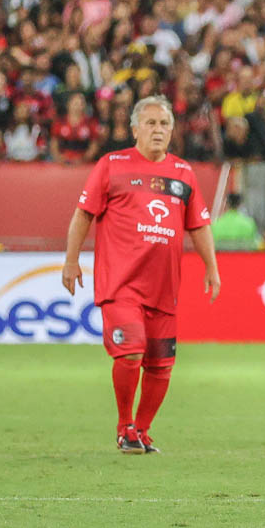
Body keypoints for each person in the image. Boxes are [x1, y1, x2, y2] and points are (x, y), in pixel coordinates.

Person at [61, 96, 221, 454]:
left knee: (161, 365)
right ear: (135, 129)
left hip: (164, 289)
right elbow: (83, 214)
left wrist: (211, 266)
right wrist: (71, 260)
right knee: (131, 352)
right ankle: (124, 426)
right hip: (121, 286)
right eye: (150, 123)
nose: (158, 130)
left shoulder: (183, 173)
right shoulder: (112, 165)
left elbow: (199, 224)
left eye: (164, 124)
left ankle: (142, 431)